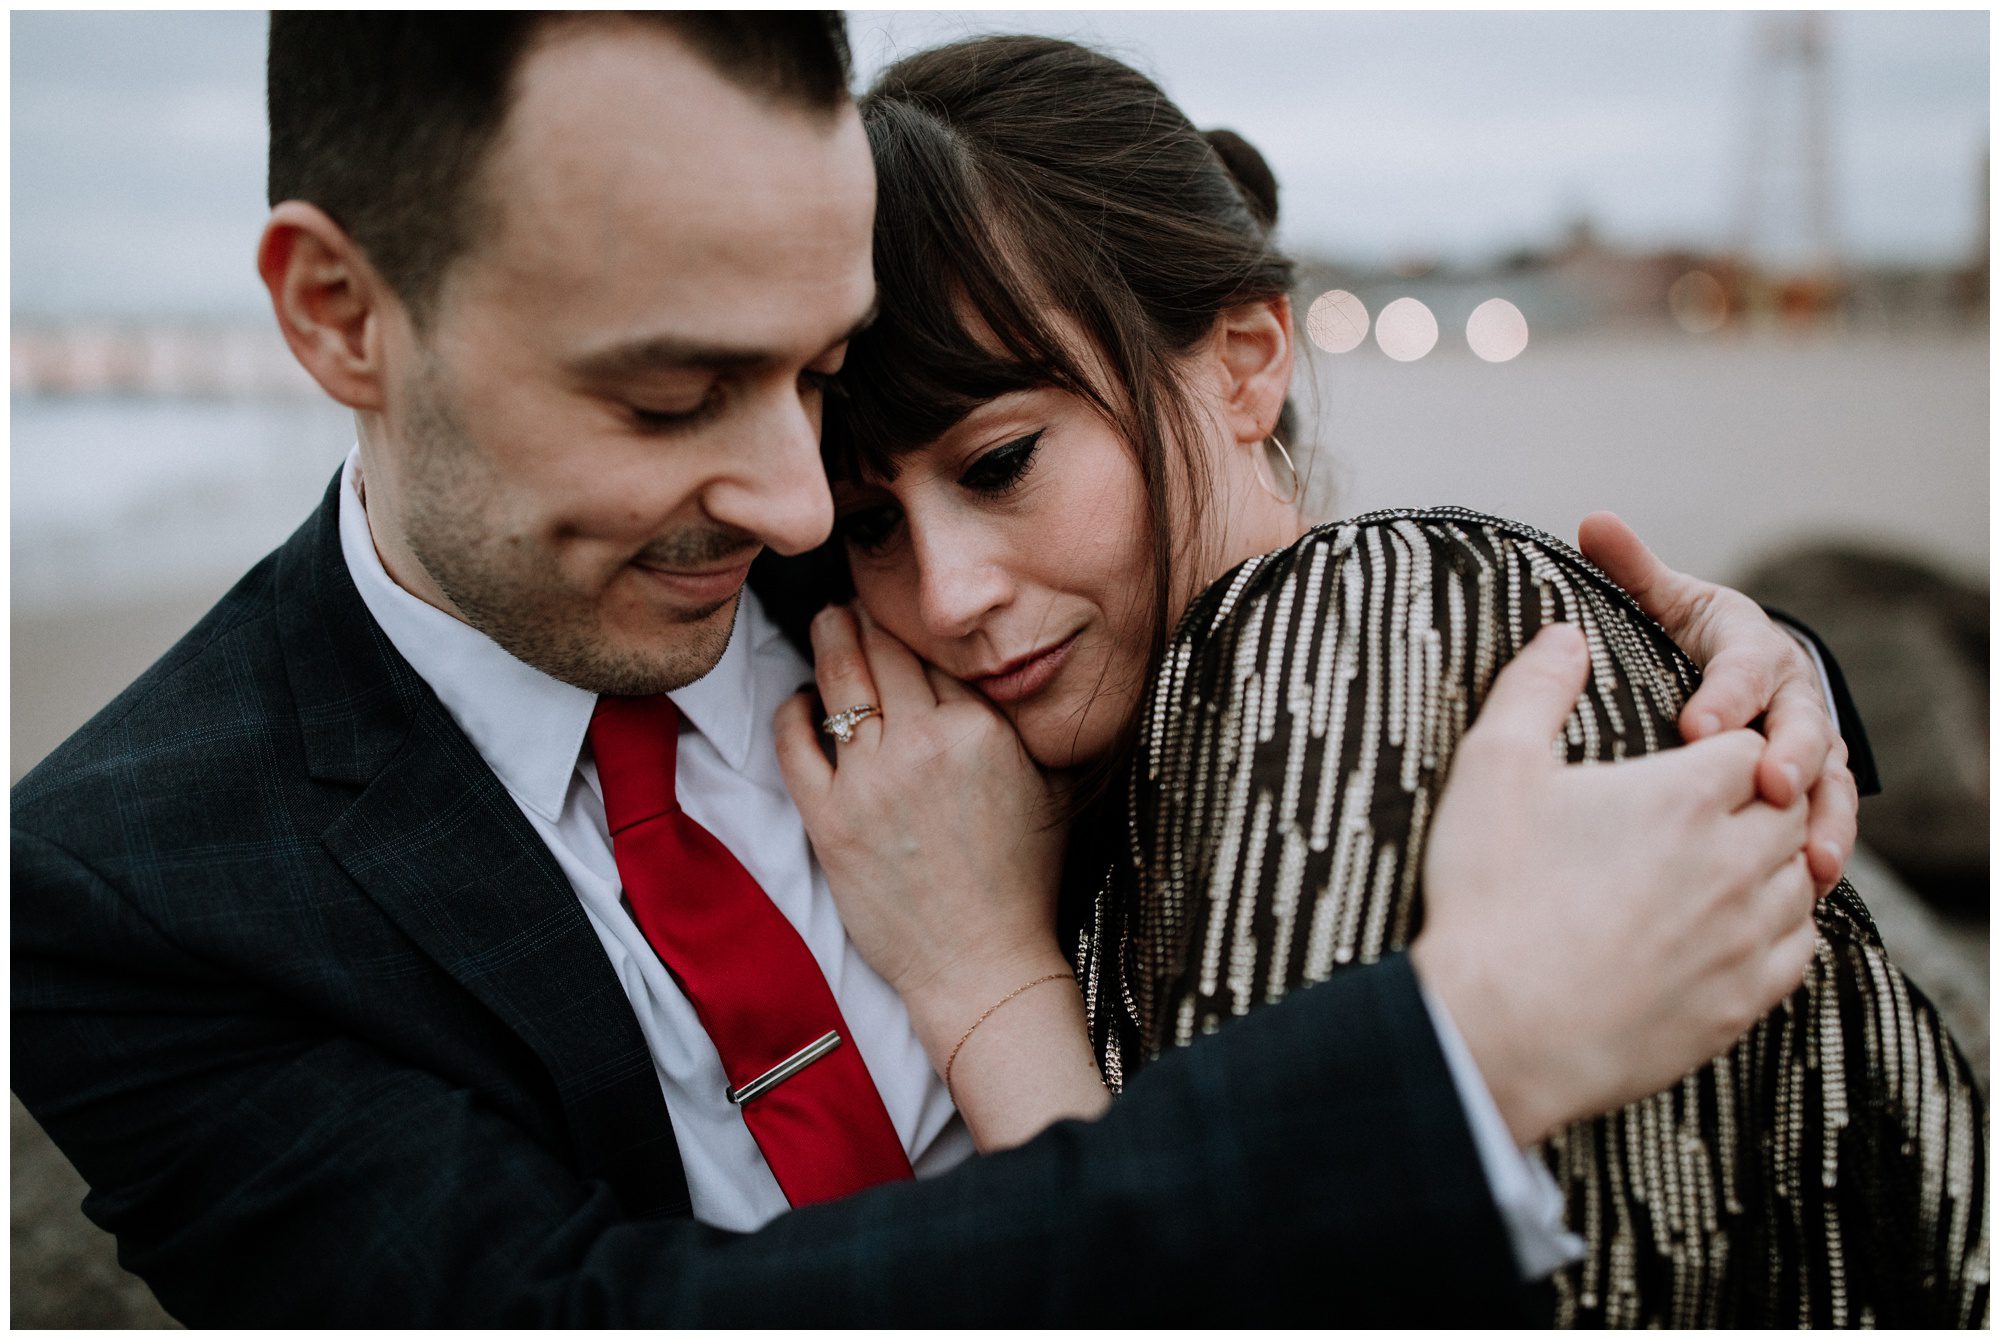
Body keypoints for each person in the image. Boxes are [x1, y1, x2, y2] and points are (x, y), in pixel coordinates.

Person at [8, 13, 1867, 1326]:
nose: (793, 491)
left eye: (815, 369)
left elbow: (1281, 610)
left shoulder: (905, 566)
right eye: (670, 395)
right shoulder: (139, 887)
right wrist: (1463, 1063)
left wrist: (1702, 663)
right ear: (337, 312)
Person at [781, 34, 1988, 1329]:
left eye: (1000, 462)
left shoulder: (1345, 627)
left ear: (1246, 361)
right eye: (872, 526)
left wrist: (979, 975)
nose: (948, 595)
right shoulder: (1144, 745)